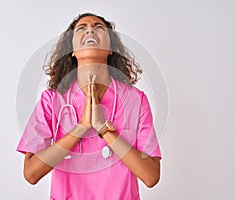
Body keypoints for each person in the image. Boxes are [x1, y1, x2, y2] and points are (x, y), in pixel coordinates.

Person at [16, 13, 162, 200]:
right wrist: (81, 127)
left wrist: (104, 129)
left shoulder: (135, 100)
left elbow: (151, 176)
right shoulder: (52, 100)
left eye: (99, 27)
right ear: (72, 50)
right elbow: (31, 173)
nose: (90, 29)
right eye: (81, 28)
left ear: (110, 49)